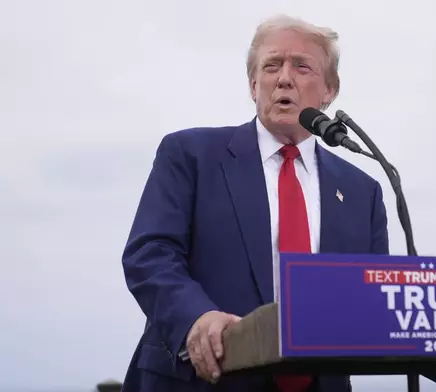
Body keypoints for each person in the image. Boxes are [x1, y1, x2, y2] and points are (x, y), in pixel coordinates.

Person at [120, 14, 389, 392]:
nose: (284, 78)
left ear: (330, 90)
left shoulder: (364, 190)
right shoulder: (191, 155)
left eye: (302, 66)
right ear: (253, 85)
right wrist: (197, 318)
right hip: (203, 381)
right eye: (271, 65)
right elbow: (149, 254)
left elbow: (375, 295)